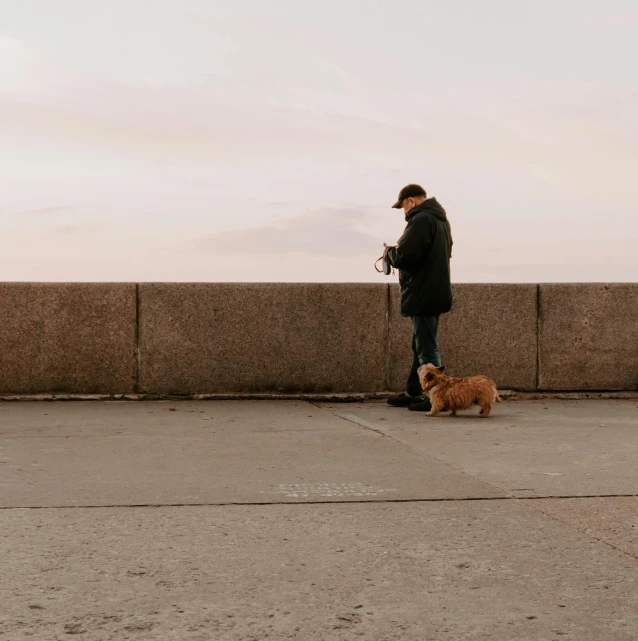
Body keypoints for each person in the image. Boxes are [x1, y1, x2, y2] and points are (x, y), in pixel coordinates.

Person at [383, 184, 453, 412]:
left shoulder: (421, 220)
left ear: (411, 201)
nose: (403, 212)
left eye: (403, 206)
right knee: (420, 343)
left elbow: (406, 256)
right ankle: (414, 391)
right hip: (436, 290)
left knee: (427, 347)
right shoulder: (441, 221)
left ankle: (436, 395)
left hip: (423, 292)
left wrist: (389, 253)